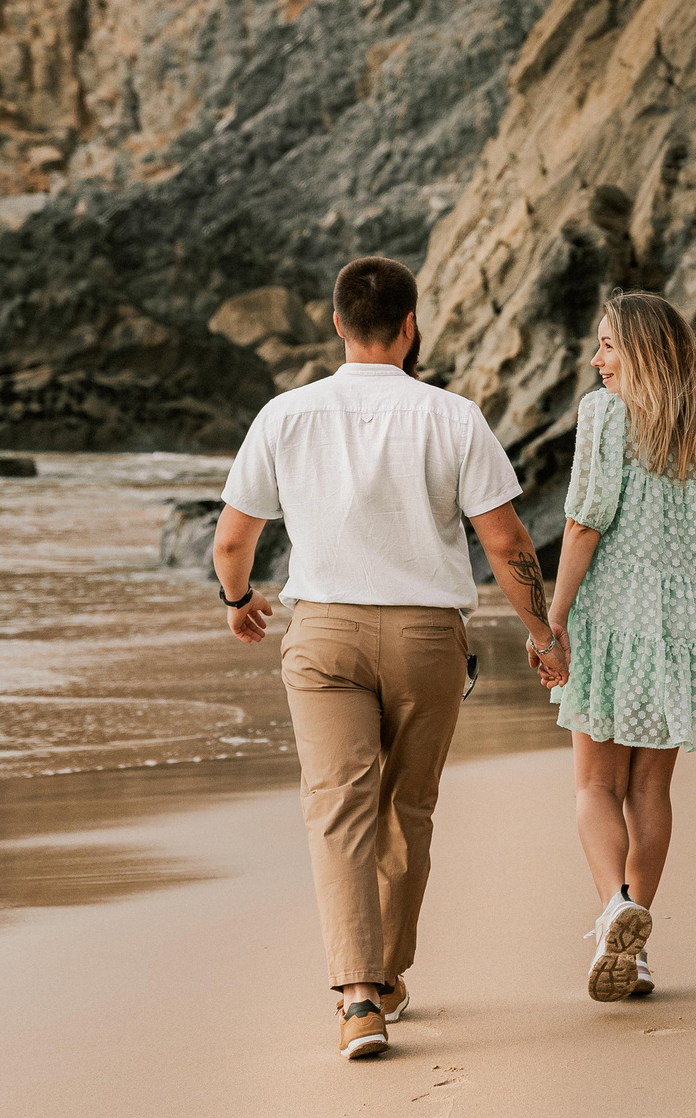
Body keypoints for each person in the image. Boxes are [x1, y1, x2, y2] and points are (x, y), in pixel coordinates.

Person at [213, 256, 566, 1061]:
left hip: (324, 635)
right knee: (407, 809)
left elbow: (233, 539)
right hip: (425, 638)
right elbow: (506, 541)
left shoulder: (285, 415)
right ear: (410, 326)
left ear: (337, 324)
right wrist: (544, 635)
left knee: (338, 809)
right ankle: (390, 975)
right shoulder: (452, 416)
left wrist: (239, 602)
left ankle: (358, 999)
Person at [542, 290, 696, 1002]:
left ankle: (615, 907)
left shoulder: (605, 417)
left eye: (609, 345)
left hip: (614, 616)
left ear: (641, 350)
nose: (597, 359)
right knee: (651, 789)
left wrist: (555, 616)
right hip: (686, 621)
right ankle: (634, 952)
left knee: (595, 785)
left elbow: (584, 524)